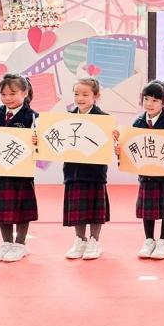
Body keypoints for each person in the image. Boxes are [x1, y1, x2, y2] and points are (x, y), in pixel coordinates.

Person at [0, 74, 39, 263]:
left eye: (12, 93)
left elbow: (41, 146)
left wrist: (37, 140)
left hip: (21, 172)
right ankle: (6, 242)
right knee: (2, 208)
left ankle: (20, 244)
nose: (7, 98)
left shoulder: (33, 117)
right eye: (3, 94)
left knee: (21, 208)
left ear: (25, 93)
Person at [129, 79, 164, 261]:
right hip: (146, 176)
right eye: (146, 99)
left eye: (155, 100)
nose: (149, 103)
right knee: (148, 210)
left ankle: (163, 241)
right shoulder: (137, 123)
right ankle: (149, 240)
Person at [63, 77, 115, 261]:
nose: (80, 98)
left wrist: (115, 136)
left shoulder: (104, 119)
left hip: (94, 173)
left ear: (96, 96)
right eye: (77, 94)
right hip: (73, 171)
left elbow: (110, 145)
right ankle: (80, 240)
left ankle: (94, 241)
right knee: (77, 208)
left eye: (85, 94)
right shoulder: (67, 118)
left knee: (94, 209)